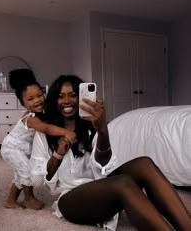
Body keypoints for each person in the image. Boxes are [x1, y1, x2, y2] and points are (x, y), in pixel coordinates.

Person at [30, 75, 191, 230]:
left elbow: (103, 165)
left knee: (144, 163)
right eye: (61, 96)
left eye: (73, 95)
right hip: (69, 199)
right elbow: (38, 180)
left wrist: (102, 130)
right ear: (53, 100)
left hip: (102, 190)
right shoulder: (44, 133)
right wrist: (58, 154)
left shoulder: (91, 125)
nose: (67, 101)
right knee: (122, 182)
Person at [0, 70, 76, 210]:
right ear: (23, 104)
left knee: (20, 175)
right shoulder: (30, 118)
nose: (37, 100)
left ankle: (10, 201)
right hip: (12, 148)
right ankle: (29, 198)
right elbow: (46, 128)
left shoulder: (42, 112)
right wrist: (66, 131)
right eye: (30, 99)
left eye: (39, 95)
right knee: (27, 173)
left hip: (23, 147)